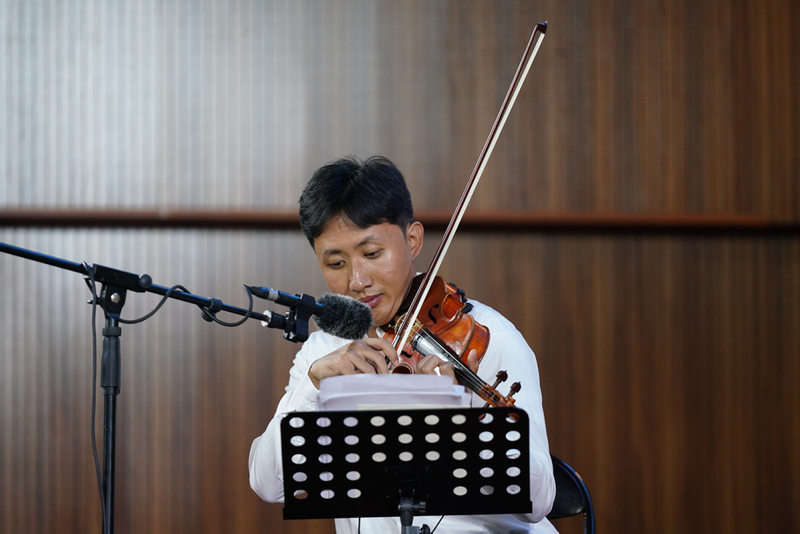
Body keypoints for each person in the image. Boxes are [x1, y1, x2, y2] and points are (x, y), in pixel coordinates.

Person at [249, 156, 557, 533]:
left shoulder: (484, 338)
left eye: (372, 254)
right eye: (335, 263)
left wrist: (459, 423)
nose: (357, 280)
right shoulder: (324, 351)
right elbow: (268, 483)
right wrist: (311, 388)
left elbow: (540, 500)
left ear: (412, 240)